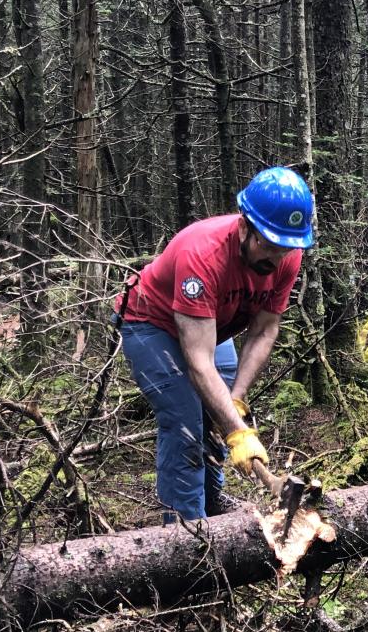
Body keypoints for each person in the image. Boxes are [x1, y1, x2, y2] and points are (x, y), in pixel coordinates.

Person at [114, 166, 314, 522]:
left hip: (209, 326)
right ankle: (186, 533)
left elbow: (265, 329)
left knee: (219, 408)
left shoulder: (288, 254)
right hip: (150, 323)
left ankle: (212, 501)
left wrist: (236, 399)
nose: (277, 256)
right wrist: (240, 432)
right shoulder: (203, 255)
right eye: (267, 244)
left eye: (285, 248)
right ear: (243, 228)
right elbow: (198, 361)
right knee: (187, 423)